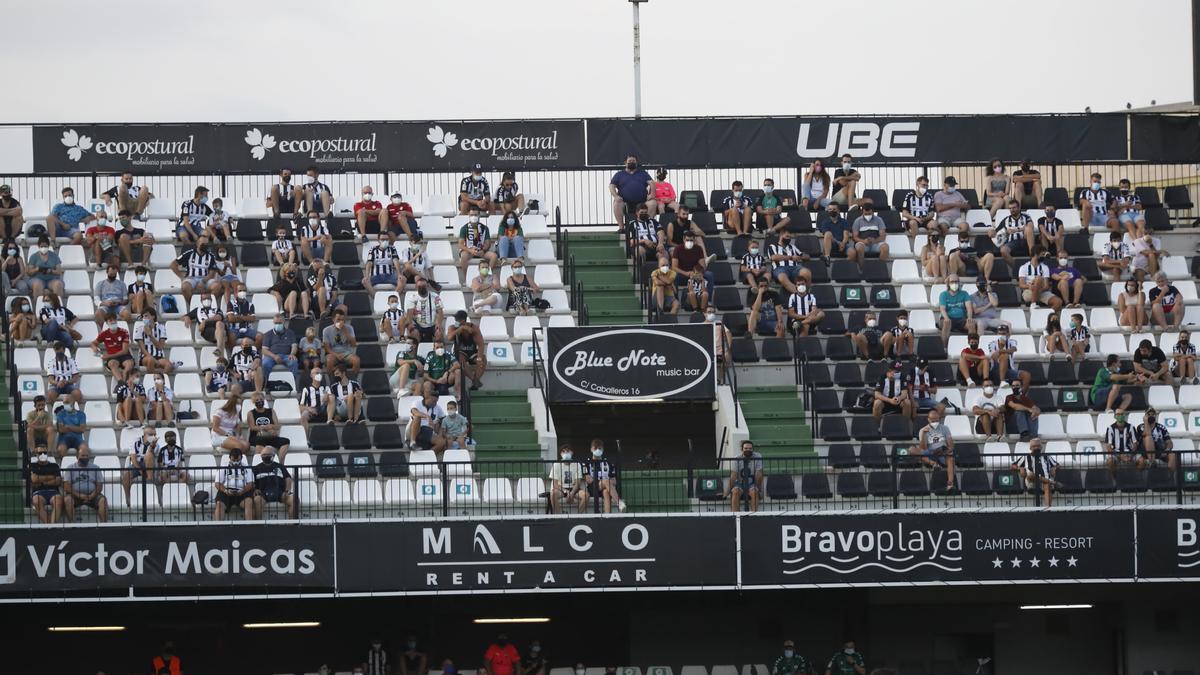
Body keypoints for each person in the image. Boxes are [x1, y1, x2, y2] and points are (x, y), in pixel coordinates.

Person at [909, 409, 956, 491]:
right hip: (929, 452)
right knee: (911, 449)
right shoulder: (922, 430)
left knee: (951, 458)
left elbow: (951, 445)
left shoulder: (945, 428)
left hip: (942, 453)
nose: (935, 422)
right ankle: (933, 463)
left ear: (939, 419)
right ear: (928, 419)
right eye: (933, 420)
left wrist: (946, 451)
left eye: (937, 420)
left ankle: (950, 484)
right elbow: (923, 448)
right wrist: (923, 434)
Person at [64, 446, 108, 523]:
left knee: (103, 500)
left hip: (92, 495)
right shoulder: (70, 468)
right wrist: (79, 495)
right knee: (67, 500)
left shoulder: (96, 468)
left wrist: (92, 495)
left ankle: (104, 525)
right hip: (75, 496)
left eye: (87, 456)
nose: (85, 457)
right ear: (77, 456)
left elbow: (99, 486)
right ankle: (72, 525)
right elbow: (66, 486)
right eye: (83, 455)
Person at [609, 154, 655, 227]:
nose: (632, 162)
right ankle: (621, 227)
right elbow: (611, 186)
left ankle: (649, 226)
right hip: (624, 201)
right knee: (616, 203)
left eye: (633, 161)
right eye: (629, 161)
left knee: (652, 203)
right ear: (625, 162)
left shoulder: (643, 173)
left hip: (642, 201)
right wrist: (615, 196)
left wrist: (652, 194)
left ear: (636, 162)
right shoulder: (619, 174)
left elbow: (652, 183)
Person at [253, 445, 295, 519]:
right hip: (262, 493)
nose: (266, 457)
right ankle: (258, 525)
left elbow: (288, 478)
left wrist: (287, 490)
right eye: (263, 455)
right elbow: (251, 481)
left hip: (280, 492)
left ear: (273, 455)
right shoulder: (256, 468)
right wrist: (255, 489)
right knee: (257, 500)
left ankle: (292, 525)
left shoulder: (280, 466)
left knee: (294, 500)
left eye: (268, 455)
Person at [171, 236, 217, 305]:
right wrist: (182, 277)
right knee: (185, 287)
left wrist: (203, 281)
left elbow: (212, 273)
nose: (205, 245)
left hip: (205, 278)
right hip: (191, 278)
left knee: (217, 286)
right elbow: (173, 264)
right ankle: (194, 305)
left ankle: (210, 305)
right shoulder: (189, 253)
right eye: (202, 243)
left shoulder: (211, 256)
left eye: (206, 244)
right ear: (197, 243)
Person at [1012, 438, 1057, 507]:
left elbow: (1057, 464)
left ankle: (1048, 508)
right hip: (1031, 482)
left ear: (1041, 447)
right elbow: (1013, 465)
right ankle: (1050, 481)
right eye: (1034, 446)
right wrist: (1020, 468)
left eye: (1038, 446)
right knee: (1030, 474)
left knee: (1047, 485)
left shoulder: (1047, 457)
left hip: (1045, 482)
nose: (1036, 448)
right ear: (1030, 448)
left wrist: (1054, 468)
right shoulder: (1025, 457)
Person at [214, 445, 255, 520]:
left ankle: (249, 527)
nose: (236, 462)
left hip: (243, 491)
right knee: (219, 504)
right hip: (226, 491)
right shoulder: (223, 467)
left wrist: (242, 491)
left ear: (241, 458)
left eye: (238, 460)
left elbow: (251, 483)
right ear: (229, 457)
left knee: (249, 502)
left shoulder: (247, 468)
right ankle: (218, 527)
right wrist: (225, 490)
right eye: (234, 460)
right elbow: (217, 483)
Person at [449, 310, 486, 391]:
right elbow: (450, 338)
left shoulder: (474, 328)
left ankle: (475, 383)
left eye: (457, 319)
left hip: (472, 351)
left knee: (483, 359)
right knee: (461, 359)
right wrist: (460, 329)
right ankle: (474, 380)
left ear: (463, 320)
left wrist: (479, 358)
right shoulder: (452, 327)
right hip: (459, 351)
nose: (455, 321)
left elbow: (481, 344)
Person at [247, 396, 291, 463]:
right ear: (254, 402)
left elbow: (277, 426)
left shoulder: (271, 411)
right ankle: (259, 463)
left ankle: (280, 463)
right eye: (257, 400)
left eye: (261, 399)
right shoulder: (251, 413)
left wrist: (271, 427)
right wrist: (264, 428)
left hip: (270, 436)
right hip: (256, 436)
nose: (259, 401)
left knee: (285, 441)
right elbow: (252, 427)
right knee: (260, 440)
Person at [673, 231, 716, 298]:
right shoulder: (678, 249)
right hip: (682, 274)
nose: (689, 242)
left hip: (696, 273)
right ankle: (675, 299)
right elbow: (674, 267)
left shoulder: (698, 249)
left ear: (694, 240)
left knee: (709, 275)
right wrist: (686, 273)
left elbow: (703, 266)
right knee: (673, 276)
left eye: (691, 240)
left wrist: (697, 273)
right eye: (687, 240)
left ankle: (708, 300)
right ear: (683, 239)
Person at [989, 324, 1031, 390]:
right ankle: (1002, 381)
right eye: (1000, 333)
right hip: (996, 369)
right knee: (1004, 356)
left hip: (1009, 370)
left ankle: (1022, 395)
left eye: (1003, 333)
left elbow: (1013, 350)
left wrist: (1000, 350)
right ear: (997, 334)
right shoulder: (992, 343)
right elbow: (994, 356)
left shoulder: (1012, 341)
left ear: (1008, 334)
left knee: (1026, 375)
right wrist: (1003, 349)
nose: (1002, 335)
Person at [725, 440, 764, 512]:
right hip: (739, 483)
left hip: (752, 483)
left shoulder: (758, 456)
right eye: (746, 448)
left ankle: (753, 516)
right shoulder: (736, 458)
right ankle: (737, 518)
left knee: (755, 492)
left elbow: (759, 474)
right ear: (741, 449)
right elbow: (733, 476)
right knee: (735, 492)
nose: (748, 450)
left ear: (753, 449)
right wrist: (727, 492)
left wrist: (760, 490)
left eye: (750, 448)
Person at [768, 230, 810, 295]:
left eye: (790, 237)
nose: (789, 238)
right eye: (787, 236)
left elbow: (807, 257)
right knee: (782, 277)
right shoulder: (772, 246)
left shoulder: (792, 247)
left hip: (795, 268)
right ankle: (800, 294)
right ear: (780, 236)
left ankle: (806, 293)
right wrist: (791, 257)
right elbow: (774, 257)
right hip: (779, 268)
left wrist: (800, 257)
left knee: (806, 272)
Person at [122, 426, 158, 502]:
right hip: (137, 464)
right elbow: (133, 458)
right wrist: (141, 472)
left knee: (149, 455)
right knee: (126, 476)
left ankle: (149, 479)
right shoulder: (135, 441)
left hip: (149, 464)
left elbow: (151, 456)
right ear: (145, 434)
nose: (153, 436)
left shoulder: (156, 445)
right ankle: (128, 499)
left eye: (155, 434)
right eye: (151, 434)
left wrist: (152, 446)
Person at [458, 206, 498, 273]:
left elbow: (488, 243)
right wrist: (470, 250)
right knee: (463, 256)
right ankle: (466, 279)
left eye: (476, 215)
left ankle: (487, 275)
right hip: (469, 251)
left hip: (481, 251)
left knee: (494, 256)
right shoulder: (464, 228)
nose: (474, 217)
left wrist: (483, 250)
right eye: (472, 215)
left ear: (479, 215)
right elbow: (460, 244)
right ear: (469, 215)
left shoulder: (485, 228)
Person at [30, 447, 64, 524]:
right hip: (38, 492)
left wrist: (42, 481)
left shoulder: (54, 466)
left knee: (58, 501)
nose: (43, 454)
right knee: (36, 501)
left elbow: (58, 481)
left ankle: (52, 525)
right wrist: (51, 477)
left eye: (45, 453)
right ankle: (47, 525)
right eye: (40, 453)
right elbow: (34, 479)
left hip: (53, 491)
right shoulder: (32, 465)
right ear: (36, 455)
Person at [995, 199, 1035, 264]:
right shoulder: (1006, 220)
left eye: (1014, 208)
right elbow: (996, 231)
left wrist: (1016, 230)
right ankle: (1016, 268)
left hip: (1024, 240)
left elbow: (1031, 226)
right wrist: (991, 231)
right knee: (1003, 250)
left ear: (1019, 208)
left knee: (1028, 229)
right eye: (1010, 208)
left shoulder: (1026, 217)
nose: (1012, 210)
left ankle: (1032, 259)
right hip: (1012, 242)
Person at [364, 230, 403, 294]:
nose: (385, 241)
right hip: (376, 276)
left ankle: (393, 298)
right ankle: (376, 298)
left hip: (389, 276)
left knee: (403, 280)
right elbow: (369, 263)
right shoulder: (373, 249)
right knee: (364, 281)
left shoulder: (392, 248)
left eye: (386, 239)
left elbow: (396, 261)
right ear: (378, 240)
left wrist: (399, 274)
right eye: (382, 239)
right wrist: (367, 276)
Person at [550, 444, 586, 514]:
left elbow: (577, 483)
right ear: (560, 454)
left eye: (568, 451)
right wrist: (566, 492)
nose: (566, 453)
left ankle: (577, 517)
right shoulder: (556, 464)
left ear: (572, 453)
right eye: (563, 451)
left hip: (574, 489)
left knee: (586, 495)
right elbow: (555, 484)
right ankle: (560, 517)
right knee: (552, 494)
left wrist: (572, 493)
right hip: (561, 489)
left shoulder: (577, 464)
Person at [408, 388, 446, 453]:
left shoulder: (437, 407)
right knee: (417, 417)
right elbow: (414, 412)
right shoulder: (417, 403)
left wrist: (440, 432)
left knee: (442, 442)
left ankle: (428, 455)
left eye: (436, 401)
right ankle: (412, 443)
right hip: (416, 429)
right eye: (433, 401)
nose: (435, 403)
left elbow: (444, 419)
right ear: (427, 398)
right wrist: (426, 416)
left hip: (428, 431)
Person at [323, 309, 361, 375]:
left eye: (342, 320)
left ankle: (353, 380)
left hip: (346, 353)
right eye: (338, 319)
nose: (341, 322)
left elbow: (353, 344)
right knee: (329, 360)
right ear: (333, 319)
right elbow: (327, 348)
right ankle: (331, 380)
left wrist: (345, 331)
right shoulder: (326, 330)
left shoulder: (349, 328)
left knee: (357, 360)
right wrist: (336, 355)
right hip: (333, 353)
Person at [45, 341, 82, 408]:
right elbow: (50, 379)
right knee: (50, 395)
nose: (58, 352)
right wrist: (58, 383)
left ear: (64, 350)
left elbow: (76, 377)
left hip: (69, 384)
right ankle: (56, 410)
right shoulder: (51, 363)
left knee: (77, 394)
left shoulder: (71, 361)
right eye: (57, 350)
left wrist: (67, 381)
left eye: (60, 350)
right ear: (54, 350)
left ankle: (73, 410)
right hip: (56, 385)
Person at [262, 313, 300, 378]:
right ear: (273, 322)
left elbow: (294, 346)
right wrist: (274, 356)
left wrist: (292, 354)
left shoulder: (290, 333)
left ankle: (293, 383)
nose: (278, 325)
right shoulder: (268, 334)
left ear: (284, 322)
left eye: (279, 323)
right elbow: (264, 350)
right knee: (265, 364)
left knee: (293, 362)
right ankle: (266, 384)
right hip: (272, 356)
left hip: (287, 356)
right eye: (276, 323)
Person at [1104, 411, 1140, 478]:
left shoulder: (1131, 427)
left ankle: (1135, 478)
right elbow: (1108, 446)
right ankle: (1115, 479)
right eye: (1118, 414)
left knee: (1142, 461)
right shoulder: (1110, 428)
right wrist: (1120, 456)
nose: (1120, 416)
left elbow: (1135, 443)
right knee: (1110, 461)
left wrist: (1130, 455)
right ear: (1115, 416)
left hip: (1129, 452)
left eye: (1121, 414)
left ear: (1124, 415)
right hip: (1115, 453)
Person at [937, 275, 972, 344]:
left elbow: (969, 308)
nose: (954, 283)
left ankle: (971, 347)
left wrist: (969, 318)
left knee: (971, 324)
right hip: (948, 318)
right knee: (946, 323)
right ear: (948, 283)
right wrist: (946, 318)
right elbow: (942, 309)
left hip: (961, 319)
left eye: (956, 281)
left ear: (959, 283)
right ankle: (944, 348)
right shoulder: (943, 294)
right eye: (952, 282)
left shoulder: (964, 294)